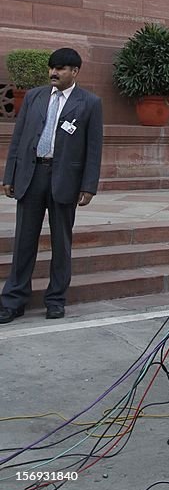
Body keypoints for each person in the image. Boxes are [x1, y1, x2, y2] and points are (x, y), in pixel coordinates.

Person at [1, 48, 103, 322]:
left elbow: (94, 148)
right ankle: (13, 300)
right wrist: (9, 175)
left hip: (64, 181)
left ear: (74, 72)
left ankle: (56, 299)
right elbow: (19, 138)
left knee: (61, 242)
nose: (53, 73)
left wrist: (89, 186)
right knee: (23, 240)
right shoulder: (35, 96)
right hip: (31, 176)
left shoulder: (89, 103)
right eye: (51, 68)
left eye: (60, 68)